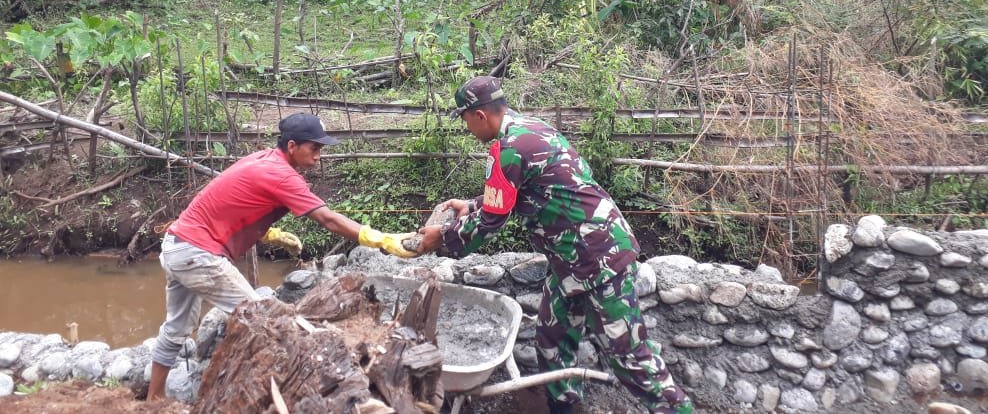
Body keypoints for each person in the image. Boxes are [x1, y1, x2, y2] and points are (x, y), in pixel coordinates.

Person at [417, 76, 693, 414]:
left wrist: (441, 238)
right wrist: (471, 205)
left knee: (630, 358)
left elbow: (492, 221)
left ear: (479, 115)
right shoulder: (531, 129)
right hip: (570, 264)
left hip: (599, 261)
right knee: (552, 342)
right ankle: (565, 409)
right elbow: (511, 194)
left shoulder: (508, 148)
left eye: (465, 120)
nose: (467, 128)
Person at [147, 112, 416, 400]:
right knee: (265, 320)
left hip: (178, 246)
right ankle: (270, 397)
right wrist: (382, 240)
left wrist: (269, 234)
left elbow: (233, 204)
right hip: (198, 255)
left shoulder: (263, 159)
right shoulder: (281, 175)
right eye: (314, 148)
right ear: (291, 146)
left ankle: (154, 399)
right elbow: (328, 220)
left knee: (176, 328)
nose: (319, 156)